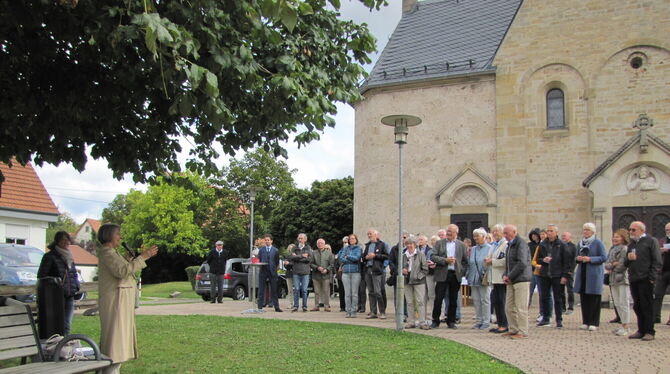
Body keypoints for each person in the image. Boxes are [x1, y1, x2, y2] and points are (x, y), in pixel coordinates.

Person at [97, 223, 158, 374]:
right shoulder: (107, 252)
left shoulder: (113, 253)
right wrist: (144, 257)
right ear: (109, 235)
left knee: (119, 343)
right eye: (118, 234)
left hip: (120, 303)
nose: (120, 237)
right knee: (115, 344)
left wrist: (127, 259)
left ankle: (113, 370)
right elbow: (123, 272)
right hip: (115, 303)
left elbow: (123, 269)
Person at [37, 231, 80, 336]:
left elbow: (73, 274)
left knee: (67, 324)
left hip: (69, 295)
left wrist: (76, 285)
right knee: (56, 324)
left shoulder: (69, 256)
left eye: (67, 239)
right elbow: (42, 276)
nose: (66, 242)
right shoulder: (50, 256)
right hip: (55, 297)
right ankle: (57, 346)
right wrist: (55, 283)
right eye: (63, 239)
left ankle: (64, 345)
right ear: (57, 241)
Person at [625, 221, 662, 341]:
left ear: (642, 230)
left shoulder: (651, 241)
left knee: (647, 305)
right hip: (634, 278)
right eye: (630, 229)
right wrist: (628, 259)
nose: (631, 232)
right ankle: (641, 330)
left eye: (633, 230)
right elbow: (626, 263)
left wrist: (652, 277)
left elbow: (657, 260)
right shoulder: (632, 245)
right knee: (637, 306)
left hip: (646, 279)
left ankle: (650, 331)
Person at [430, 224, 468, 329]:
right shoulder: (439, 243)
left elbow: (465, 261)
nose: (449, 233)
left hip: (455, 274)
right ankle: (435, 320)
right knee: (438, 298)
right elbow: (433, 256)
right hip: (442, 273)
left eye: (451, 232)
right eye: (448, 231)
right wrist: (445, 260)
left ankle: (451, 321)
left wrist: (462, 271)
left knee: (453, 299)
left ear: (456, 233)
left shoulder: (461, 245)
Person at [535, 225, 570, 329]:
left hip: (557, 275)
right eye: (548, 231)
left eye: (551, 231)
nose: (549, 233)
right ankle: (546, 318)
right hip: (544, 274)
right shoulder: (542, 244)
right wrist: (543, 260)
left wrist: (565, 276)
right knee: (544, 297)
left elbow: (566, 262)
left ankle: (559, 320)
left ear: (556, 232)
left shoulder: (562, 245)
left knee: (558, 298)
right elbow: (537, 259)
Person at [573, 222, 607, 331]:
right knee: (584, 298)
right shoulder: (580, 243)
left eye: (587, 230)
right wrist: (578, 258)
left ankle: (594, 322)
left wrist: (590, 259)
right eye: (584, 230)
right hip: (583, 273)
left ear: (592, 232)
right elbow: (576, 256)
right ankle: (585, 321)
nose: (585, 232)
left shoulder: (598, 243)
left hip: (593, 274)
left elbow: (603, 257)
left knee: (594, 298)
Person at [502, 224, 532, 339]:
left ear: (514, 232)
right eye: (504, 233)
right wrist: (505, 275)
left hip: (521, 279)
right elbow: (508, 263)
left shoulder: (521, 244)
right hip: (511, 279)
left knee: (521, 307)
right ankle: (513, 328)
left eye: (507, 233)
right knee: (509, 307)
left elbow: (522, 263)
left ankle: (523, 330)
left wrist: (509, 275)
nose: (505, 235)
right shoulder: (509, 245)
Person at [605, 229, 631, 336]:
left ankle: (626, 326)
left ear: (623, 238)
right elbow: (607, 264)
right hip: (612, 279)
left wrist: (613, 266)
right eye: (614, 236)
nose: (614, 238)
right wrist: (612, 265)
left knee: (623, 303)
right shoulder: (612, 249)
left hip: (622, 279)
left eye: (617, 237)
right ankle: (622, 324)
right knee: (617, 303)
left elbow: (622, 265)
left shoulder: (624, 249)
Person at [466, 228, 492, 330]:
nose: (475, 238)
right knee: (476, 300)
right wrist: (468, 275)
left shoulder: (490, 248)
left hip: (484, 278)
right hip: (473, 278)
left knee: (485, 300)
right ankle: (478, 320)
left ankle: (486, 321)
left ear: (484, 237)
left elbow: (489, 263)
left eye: (478, 236)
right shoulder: (473, 249)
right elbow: (470, 263)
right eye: (474, 236)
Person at [403, 235, 430, 329]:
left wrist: (418, 276)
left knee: (420, 301)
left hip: (419, 281)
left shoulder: (420, 254)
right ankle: (411, 321)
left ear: (415, 245)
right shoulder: (404, 255)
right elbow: (400, 266)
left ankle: (422, 322)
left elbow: (425, 269)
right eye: (408, 244)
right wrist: (403, 270)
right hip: (407, 280)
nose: (409, 246)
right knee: (409, 302)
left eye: (411, 244)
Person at [487, 224, 509, 333]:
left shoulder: (505, 245)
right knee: (496, 301)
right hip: (494, 278)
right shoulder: (493, 245)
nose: (495, 233)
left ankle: (504, 324)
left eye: (497, 231)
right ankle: (500, 323)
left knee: (502, 301)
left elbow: (505, 260)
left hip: (501, 277)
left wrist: (492, 261)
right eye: (493, 231)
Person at [363, 228, 388, 319]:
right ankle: (373, 312)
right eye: (368, 234)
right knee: (371, 292)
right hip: (368, 270)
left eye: (370, 234)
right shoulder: (367, 245)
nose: (369, 235)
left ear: (376, 235)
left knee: (378, 291)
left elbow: (386, 256)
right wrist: (366, 257)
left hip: (377, 270)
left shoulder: (382, 244)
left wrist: (375, 256)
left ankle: (382, 312)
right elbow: (364, 257)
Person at [257, 234, 283, 312]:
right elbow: (260, 259)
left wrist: (274, 268)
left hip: (272, 271)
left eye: (268, 240)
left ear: (271, 241)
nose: (267, 241)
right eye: (266, 240)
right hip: (263, 271)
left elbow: (276, 261)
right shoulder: (261, 250)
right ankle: (260, 306)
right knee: (261, 289)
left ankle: (276, 307)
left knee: (274, 290)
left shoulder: (275, 250)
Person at [339, 234, 362, 318]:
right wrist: (349, 259)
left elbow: (357, 258)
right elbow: (341, 258)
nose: (351, 240)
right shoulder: (345, 248)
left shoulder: (358, 248)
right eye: (350, 239)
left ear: (356, 239)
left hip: (355, 272)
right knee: (347, 294)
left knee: (354, 293)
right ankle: (348, 311)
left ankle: (354, 311)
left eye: (353, 238)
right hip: (345, 273)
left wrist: (347, 256)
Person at [288, 233, 312, 312]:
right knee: (296, 289)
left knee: (304, 290)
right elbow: (291, 257)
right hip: (296, 272)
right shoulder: (294, 248)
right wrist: (302, 256)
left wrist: (297, 257)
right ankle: (296, 306)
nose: (300, 240)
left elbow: (309, 259)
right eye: (299, 238)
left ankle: (304, 306)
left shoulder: (308, 248)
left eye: (301, 238)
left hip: (305, 272)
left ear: (305, 239)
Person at [653, 222, 670, 325]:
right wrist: (661, 251)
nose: (668, 232)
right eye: (667, 230)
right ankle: (656, 317)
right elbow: (656, 253)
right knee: (657, 294)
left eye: (669, 230)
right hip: (662, 272)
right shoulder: (662, 240)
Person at [311, 238, 334, 311]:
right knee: (317, 291)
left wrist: (326, 269)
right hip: (316, 275)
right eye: (318, 243)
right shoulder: (313, 252)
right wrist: (317, 268)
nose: (320, 244)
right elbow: (311, 263)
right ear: (317, 244)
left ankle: (326, 306)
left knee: (326, 291)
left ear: (324, 244)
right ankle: (316, 306)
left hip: (326, 275)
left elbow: (332, 264)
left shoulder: (329, 253)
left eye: (321, 243)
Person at [560, 231, 577, 314]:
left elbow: (574, 260)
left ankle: (570, 307)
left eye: (564, 236)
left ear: (569, 237)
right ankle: (562, 307)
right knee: (561, 290)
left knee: (570, 290)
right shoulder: (560, 246)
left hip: (569, 271)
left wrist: (571, 270)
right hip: (560, 271)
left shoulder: (573, 247)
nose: (563, 237)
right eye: (562, 236)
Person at [419, 235, 435, 316]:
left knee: (431, 295)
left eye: (421, 239)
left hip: (429, 274)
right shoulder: (417, 249)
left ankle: (433, 313)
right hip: (420, 275)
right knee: (422, 296)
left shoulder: (430, 250)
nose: (420, 241)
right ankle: (422, 314)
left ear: (426, 241)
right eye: (419, 239)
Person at [335, 236, 349, 312]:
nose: (345, 244)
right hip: (340, 273)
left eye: (346, 242)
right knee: (341, 290)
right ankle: (342, 307)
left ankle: (349, 306)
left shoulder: (351, 250)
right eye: (344, 242)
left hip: (348, 272)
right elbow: (336, 260)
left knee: (348, 291)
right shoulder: (340, 251)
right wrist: (338, 268)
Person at [283, 244, 295, 309]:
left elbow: (295, 264)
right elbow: (285, 266)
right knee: (290, 290)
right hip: (289, 274)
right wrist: (286, 264)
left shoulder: (297, 256)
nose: (291, 250)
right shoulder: (287, 256)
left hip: (296, 273)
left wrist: (289, 263)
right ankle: (291, 303)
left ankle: (296, 303)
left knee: (297, 289)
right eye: (289, 248)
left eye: (292, 248)